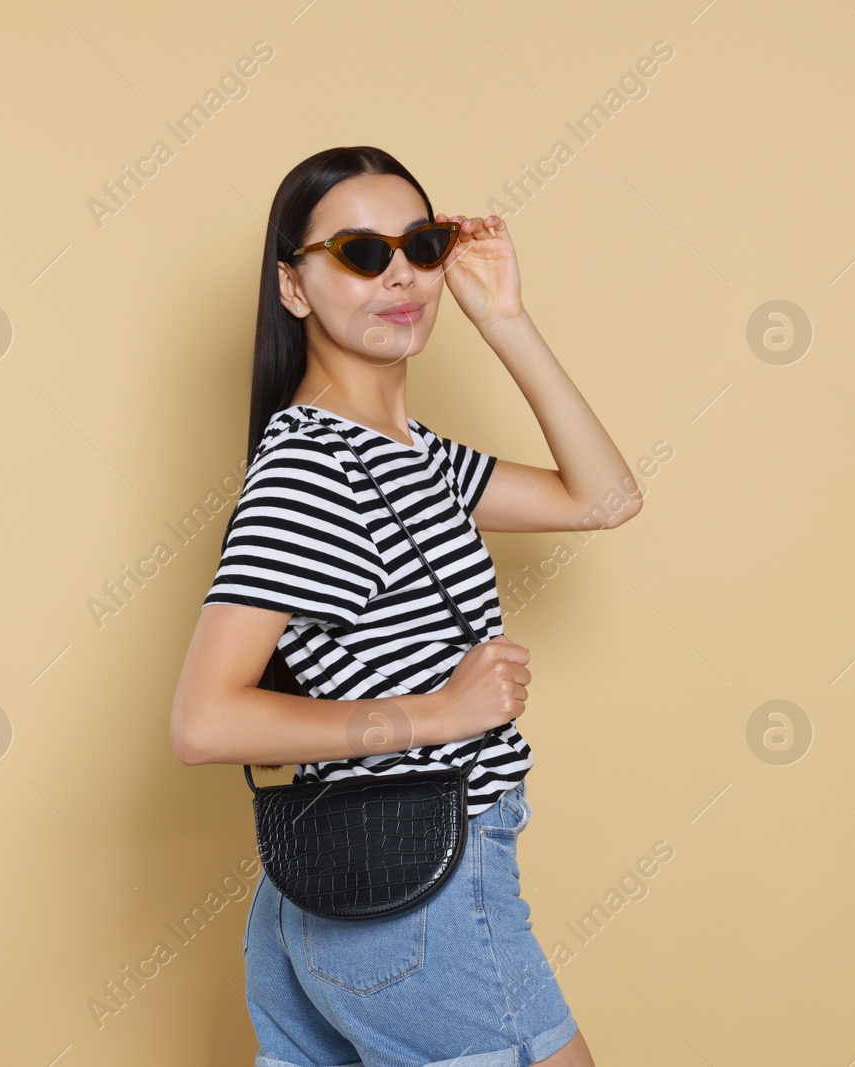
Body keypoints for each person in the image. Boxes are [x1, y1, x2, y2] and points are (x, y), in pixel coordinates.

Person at [170, 146, 641, 1067]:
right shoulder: (314, 472)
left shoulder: (410, 454)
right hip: (412, 890)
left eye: (420, 246)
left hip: (344, 885)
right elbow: (204, 719)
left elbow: (604, 498)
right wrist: (443, 713)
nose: (401, 276)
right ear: (293, 287)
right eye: (358, 251)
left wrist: (506, 321)